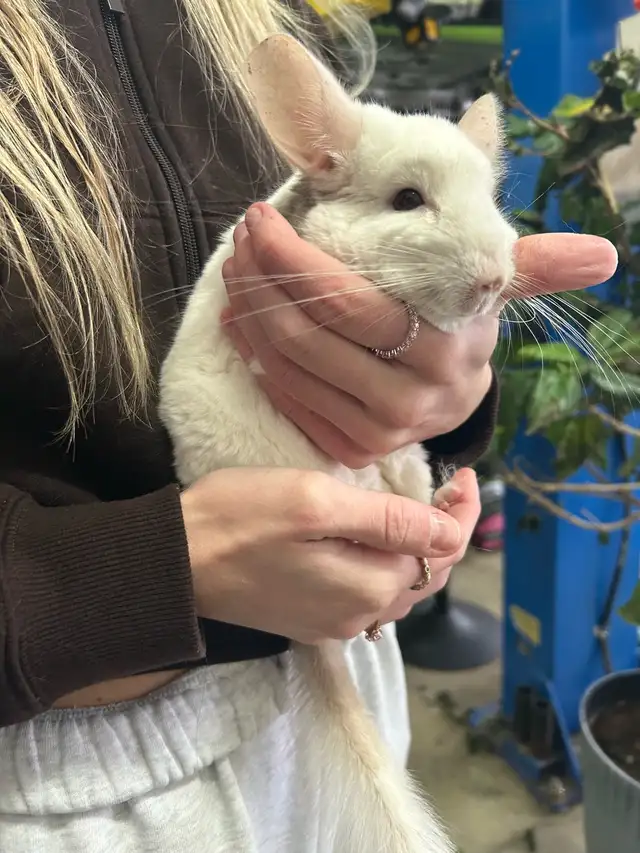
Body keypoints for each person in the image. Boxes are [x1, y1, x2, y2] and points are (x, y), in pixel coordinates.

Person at [0, 2, 618, 851]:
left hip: (346, 646)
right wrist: (146, 574)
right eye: (410, 199)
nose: (490, 252)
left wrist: (447, 406)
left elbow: (427, 362)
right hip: (65, 766)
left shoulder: (276, 14)